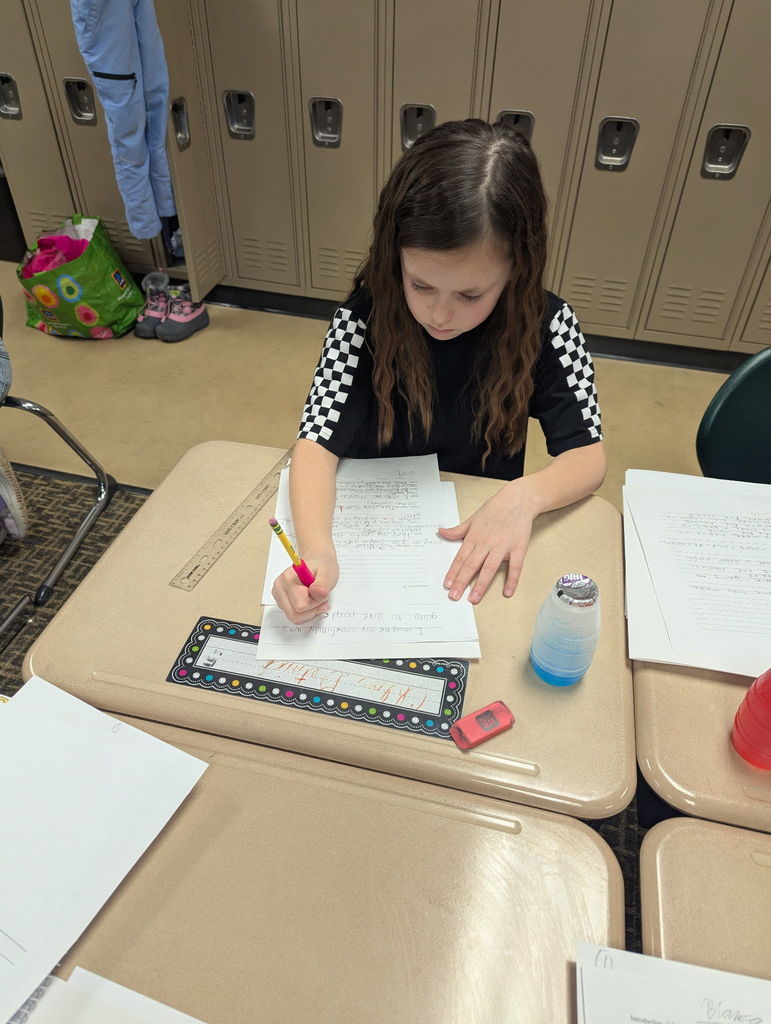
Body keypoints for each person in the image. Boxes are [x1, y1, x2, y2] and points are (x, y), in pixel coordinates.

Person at [272, 118, 606, 624]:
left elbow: (587, 456)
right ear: (396, 256)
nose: (439, 315)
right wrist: (317, 551)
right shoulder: (363, 317)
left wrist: (525, 496)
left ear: (517, 267)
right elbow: (316, 442)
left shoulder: (550, 324)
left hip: (473, 533)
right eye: (421, 284)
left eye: (471, 294)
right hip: (374, 525)